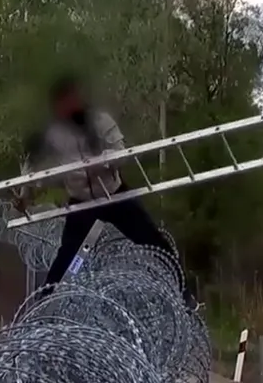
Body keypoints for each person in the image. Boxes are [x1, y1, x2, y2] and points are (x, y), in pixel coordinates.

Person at [14, 73, 178, 293]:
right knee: (68, 256)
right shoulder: (54, 134)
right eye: (63, 103)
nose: (69, 107)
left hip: (114, 194)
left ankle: (182, 292)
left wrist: (101, 163)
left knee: (151, 239)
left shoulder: (101, 121)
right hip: (82, 202)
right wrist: (25, 197)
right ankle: (44, 305)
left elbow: (123, 154)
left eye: (73, 100)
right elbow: (36, 171)